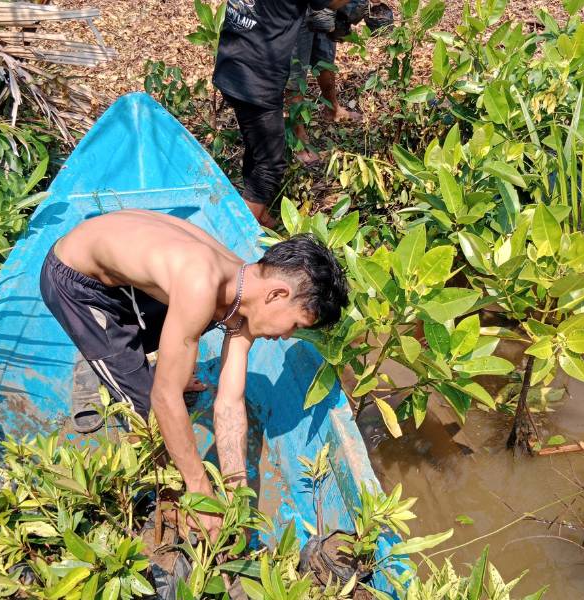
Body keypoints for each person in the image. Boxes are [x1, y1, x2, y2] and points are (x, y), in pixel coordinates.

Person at [40, 209, 349, 540]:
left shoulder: (243, 289)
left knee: (198, 324)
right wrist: (199, 489)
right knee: (147, 407)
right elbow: (163, 398)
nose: (287, 336)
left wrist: (236, 493)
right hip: (75, 282)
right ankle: (98, 356)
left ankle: (155, 361)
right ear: (276, 294)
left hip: (127, 281)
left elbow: (229, 403)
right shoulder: (201, 281)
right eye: (295, 325)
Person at [213, 0, 350, 228]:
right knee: (270, 163)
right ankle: (237, 232)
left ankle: (261, 216)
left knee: (257, 146)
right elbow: (329, 3)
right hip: (256, 78)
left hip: (232, 65)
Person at [286, 9, 362, 165]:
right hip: (295, 10)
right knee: (295, 73)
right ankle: (297, 135)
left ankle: (333, 108)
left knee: (325, 57)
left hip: (323, 7)